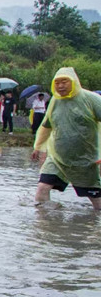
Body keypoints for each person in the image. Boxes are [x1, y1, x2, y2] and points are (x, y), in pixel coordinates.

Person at [31, 67, 101, 210]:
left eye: (65, 82)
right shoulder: (55, 101)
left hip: (86, 160)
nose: (61, 86)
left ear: (74, 82)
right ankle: (46, 228)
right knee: (42, 189)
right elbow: (46, 126)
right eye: (57, 83)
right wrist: (38, 147)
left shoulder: (91, 99)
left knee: (97, 204)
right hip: (58, 158)